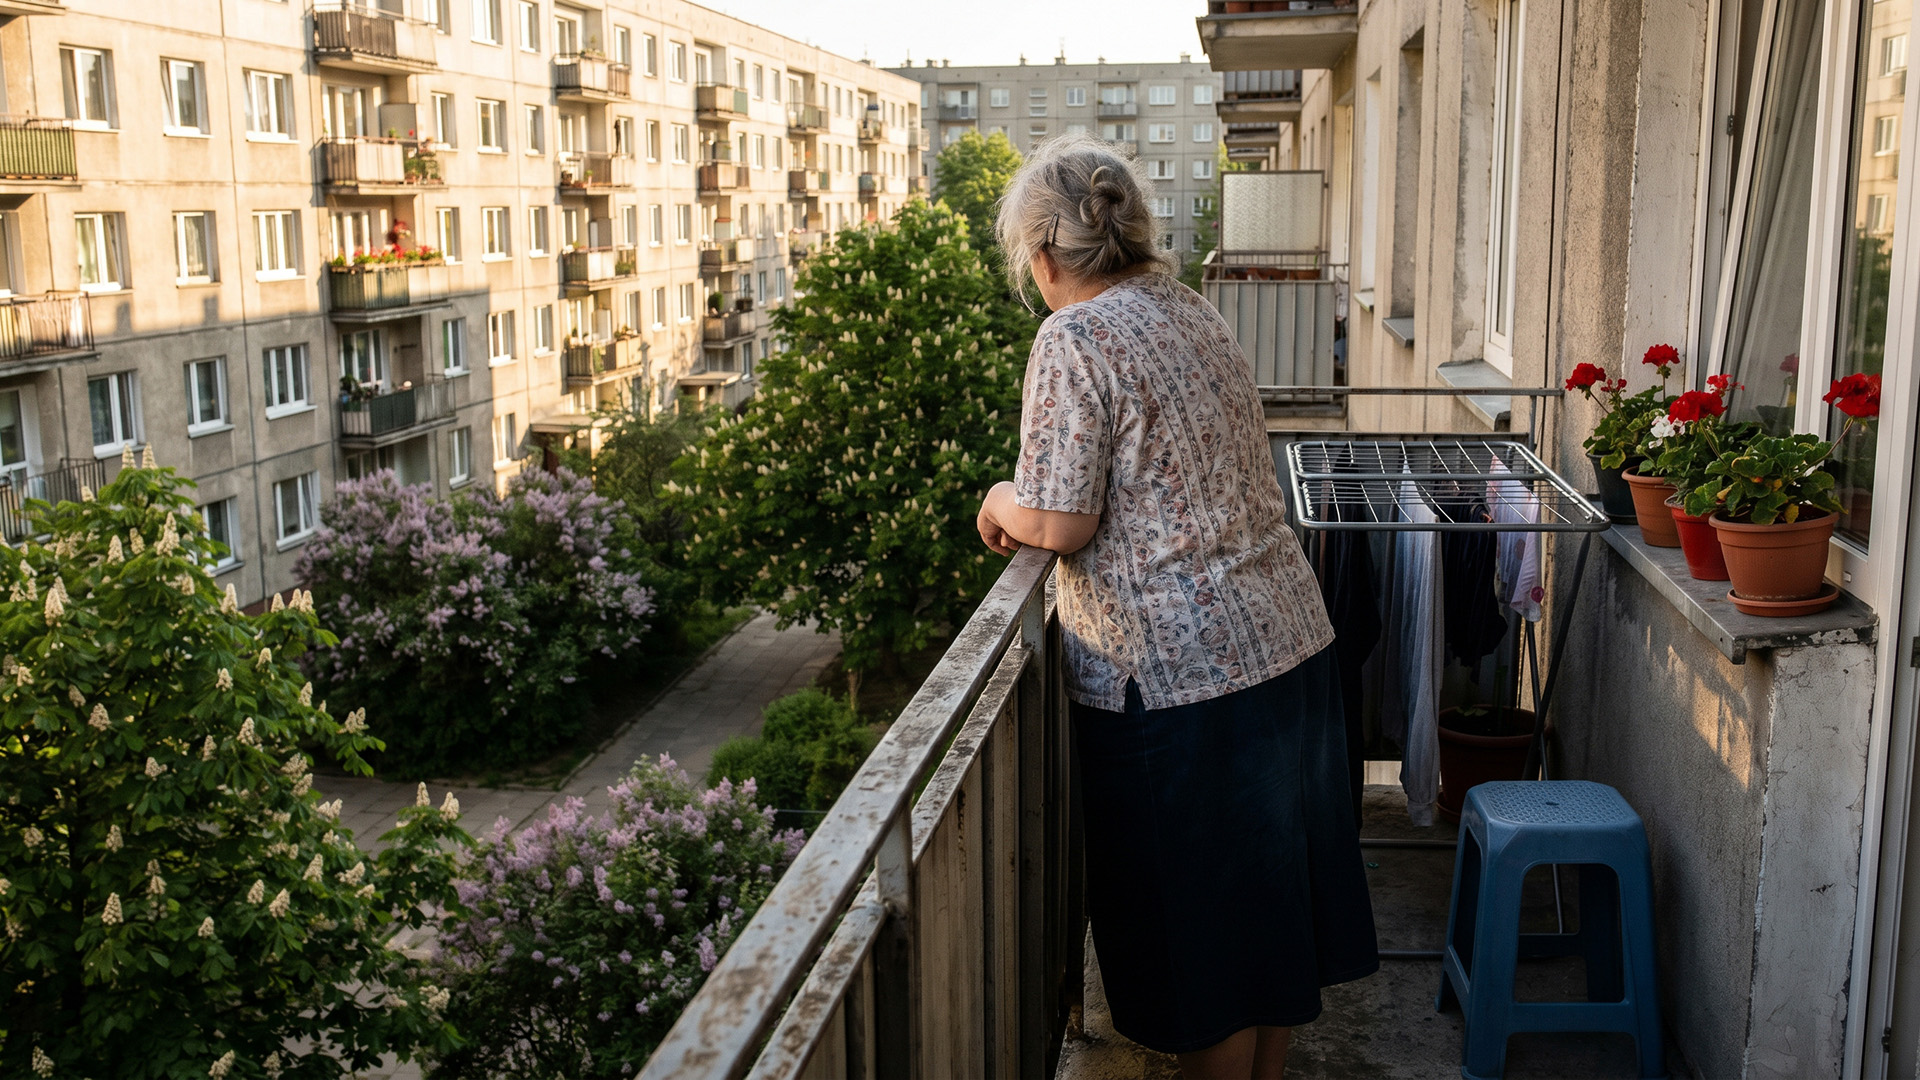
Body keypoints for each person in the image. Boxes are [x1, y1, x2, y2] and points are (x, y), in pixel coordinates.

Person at [975, 134, 1378, 1080]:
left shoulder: (1071, 337)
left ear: (1042, 255)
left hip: (1182, 688)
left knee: (1203, 959)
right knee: (1267, 934)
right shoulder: (1188, 306)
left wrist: (999, 501)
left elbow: (1062, 520)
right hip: (1288, 649)